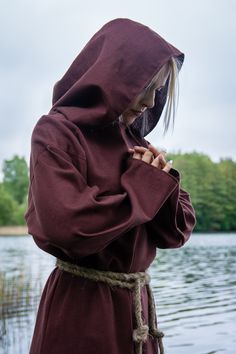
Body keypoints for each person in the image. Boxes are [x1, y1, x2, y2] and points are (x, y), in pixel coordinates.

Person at [25, 18, 196, 354]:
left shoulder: (139, 146)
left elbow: (177, 232)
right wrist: (142, 190)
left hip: (137, 312)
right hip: (82, 312)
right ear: (115, 76)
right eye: (145, 86)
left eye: (158, 91)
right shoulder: (57, 133)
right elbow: (69, 227)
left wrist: (161, 184)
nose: (149, 102)